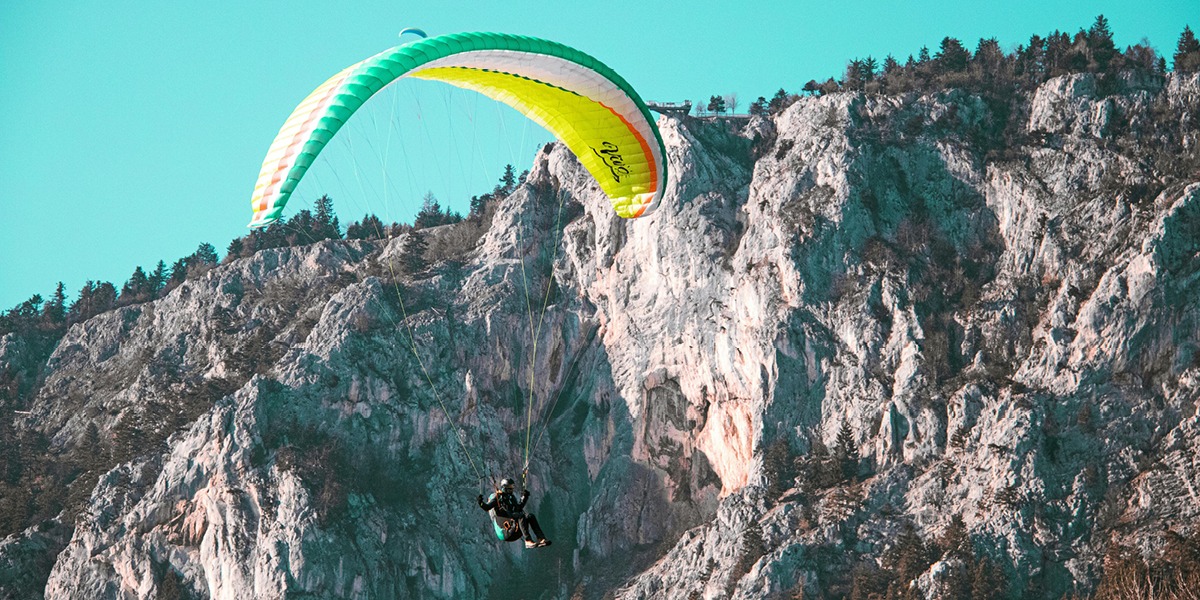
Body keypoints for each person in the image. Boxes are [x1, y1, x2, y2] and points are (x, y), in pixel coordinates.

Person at [478, 478, 552, 548]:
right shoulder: (498, 498)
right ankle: (528, 541)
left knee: (530, 516)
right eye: (510, 489)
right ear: (505, 488)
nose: (511, 490)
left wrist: (525, 497)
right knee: (521, 516)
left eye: (512, 488)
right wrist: (480, 502)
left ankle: (541, 538)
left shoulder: (511, 497)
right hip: (506, 532)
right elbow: (487, 507)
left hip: (515, 530)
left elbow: (518, 508)